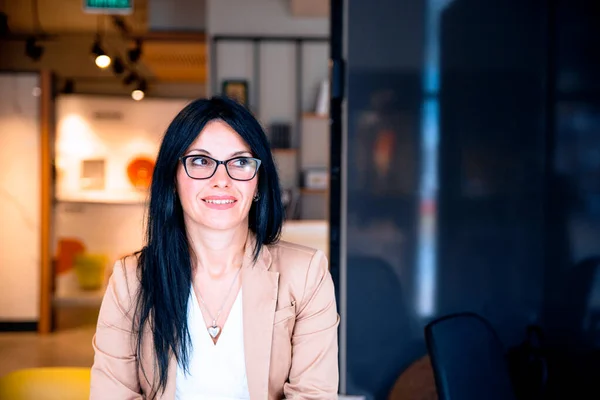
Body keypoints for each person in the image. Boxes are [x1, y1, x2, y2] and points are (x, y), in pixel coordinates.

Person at [90, 97, 339, 399]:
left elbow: (313, 394)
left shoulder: (307, 274)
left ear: (258, 183)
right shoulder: (131, 280)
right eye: (200, 161)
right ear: (173, 178)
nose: (222, 180)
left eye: (240, 162)